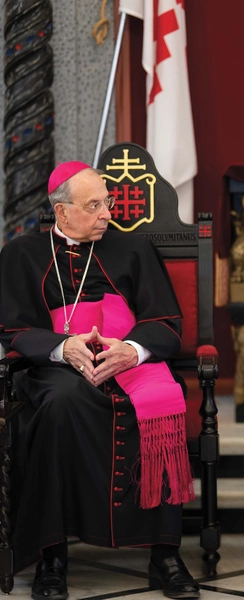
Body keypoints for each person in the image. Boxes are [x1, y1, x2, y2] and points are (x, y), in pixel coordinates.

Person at [0, 163, 200, 599]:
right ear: (62, 212)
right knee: (60, 403)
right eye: (94, 206)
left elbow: (166, 323)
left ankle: (165, 553)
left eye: (106, 202)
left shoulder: (134, 250)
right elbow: (11, 329)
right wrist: (62, 347)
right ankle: (51, 557)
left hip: (131, 366)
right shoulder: (21, 254)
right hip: (56, 372)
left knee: (167, 396)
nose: (107, 213)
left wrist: (133, 350)